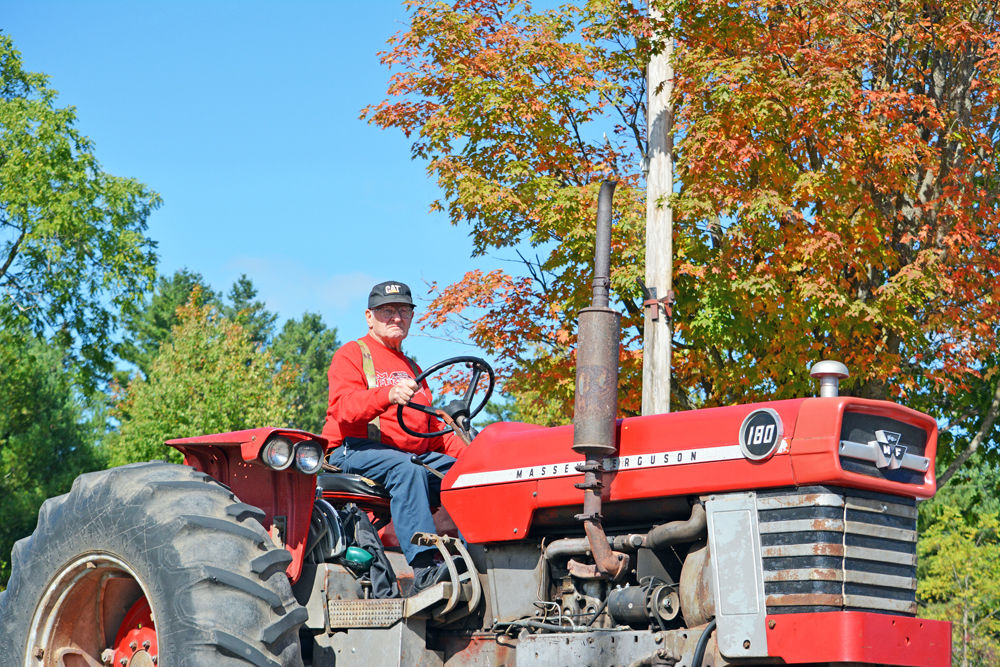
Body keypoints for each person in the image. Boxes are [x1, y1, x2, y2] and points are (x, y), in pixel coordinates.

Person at [322, 280, 464, 592]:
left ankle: (475, 557)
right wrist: (387, 394)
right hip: (353, 450)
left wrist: (476, 457)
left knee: (462, 476)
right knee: (407, 469)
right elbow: (344, 410)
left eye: (403, 310)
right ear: (369, 316)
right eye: (387, 310)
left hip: (407, 455)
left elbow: (432, 435)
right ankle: (425, 568)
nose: (396, 317)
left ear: (412, 317)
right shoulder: (352, 354)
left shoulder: (413, 367)